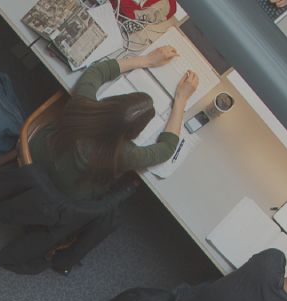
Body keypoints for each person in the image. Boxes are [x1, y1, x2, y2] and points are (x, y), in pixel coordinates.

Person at [31, 48, 199, 200]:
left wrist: (146, 60)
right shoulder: (125, 155)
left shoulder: (83, 105)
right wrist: (181, 100)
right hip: (66, 193)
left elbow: (96, 72)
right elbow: (167, 148)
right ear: (132, 135)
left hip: (35, 151)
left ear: (110, 102)